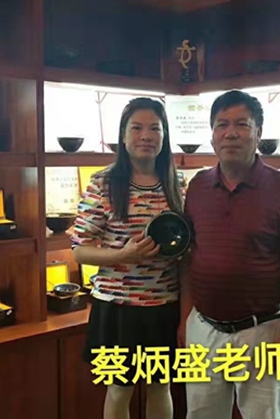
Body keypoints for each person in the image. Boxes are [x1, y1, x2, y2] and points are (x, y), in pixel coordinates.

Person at [179, 90, 280, 419]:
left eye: (242, 124)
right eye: (222, 124)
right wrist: (185, 321)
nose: (231, 133)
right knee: (201, 414)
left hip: (264, 333)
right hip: (203, 330)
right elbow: (189, 258)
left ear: (258, 133)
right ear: (212, 134)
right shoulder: (197, 186)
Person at [71, 97, 186, 419]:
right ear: (123, 135)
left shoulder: (177, 182)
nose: (145, 136)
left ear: (164, 136)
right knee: (119, 389)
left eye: (154, 129)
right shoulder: (103, 182)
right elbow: (79, 248)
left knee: (161, 386)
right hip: (118, 307)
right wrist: (124, 255)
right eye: (136, 128)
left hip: (165, 304)